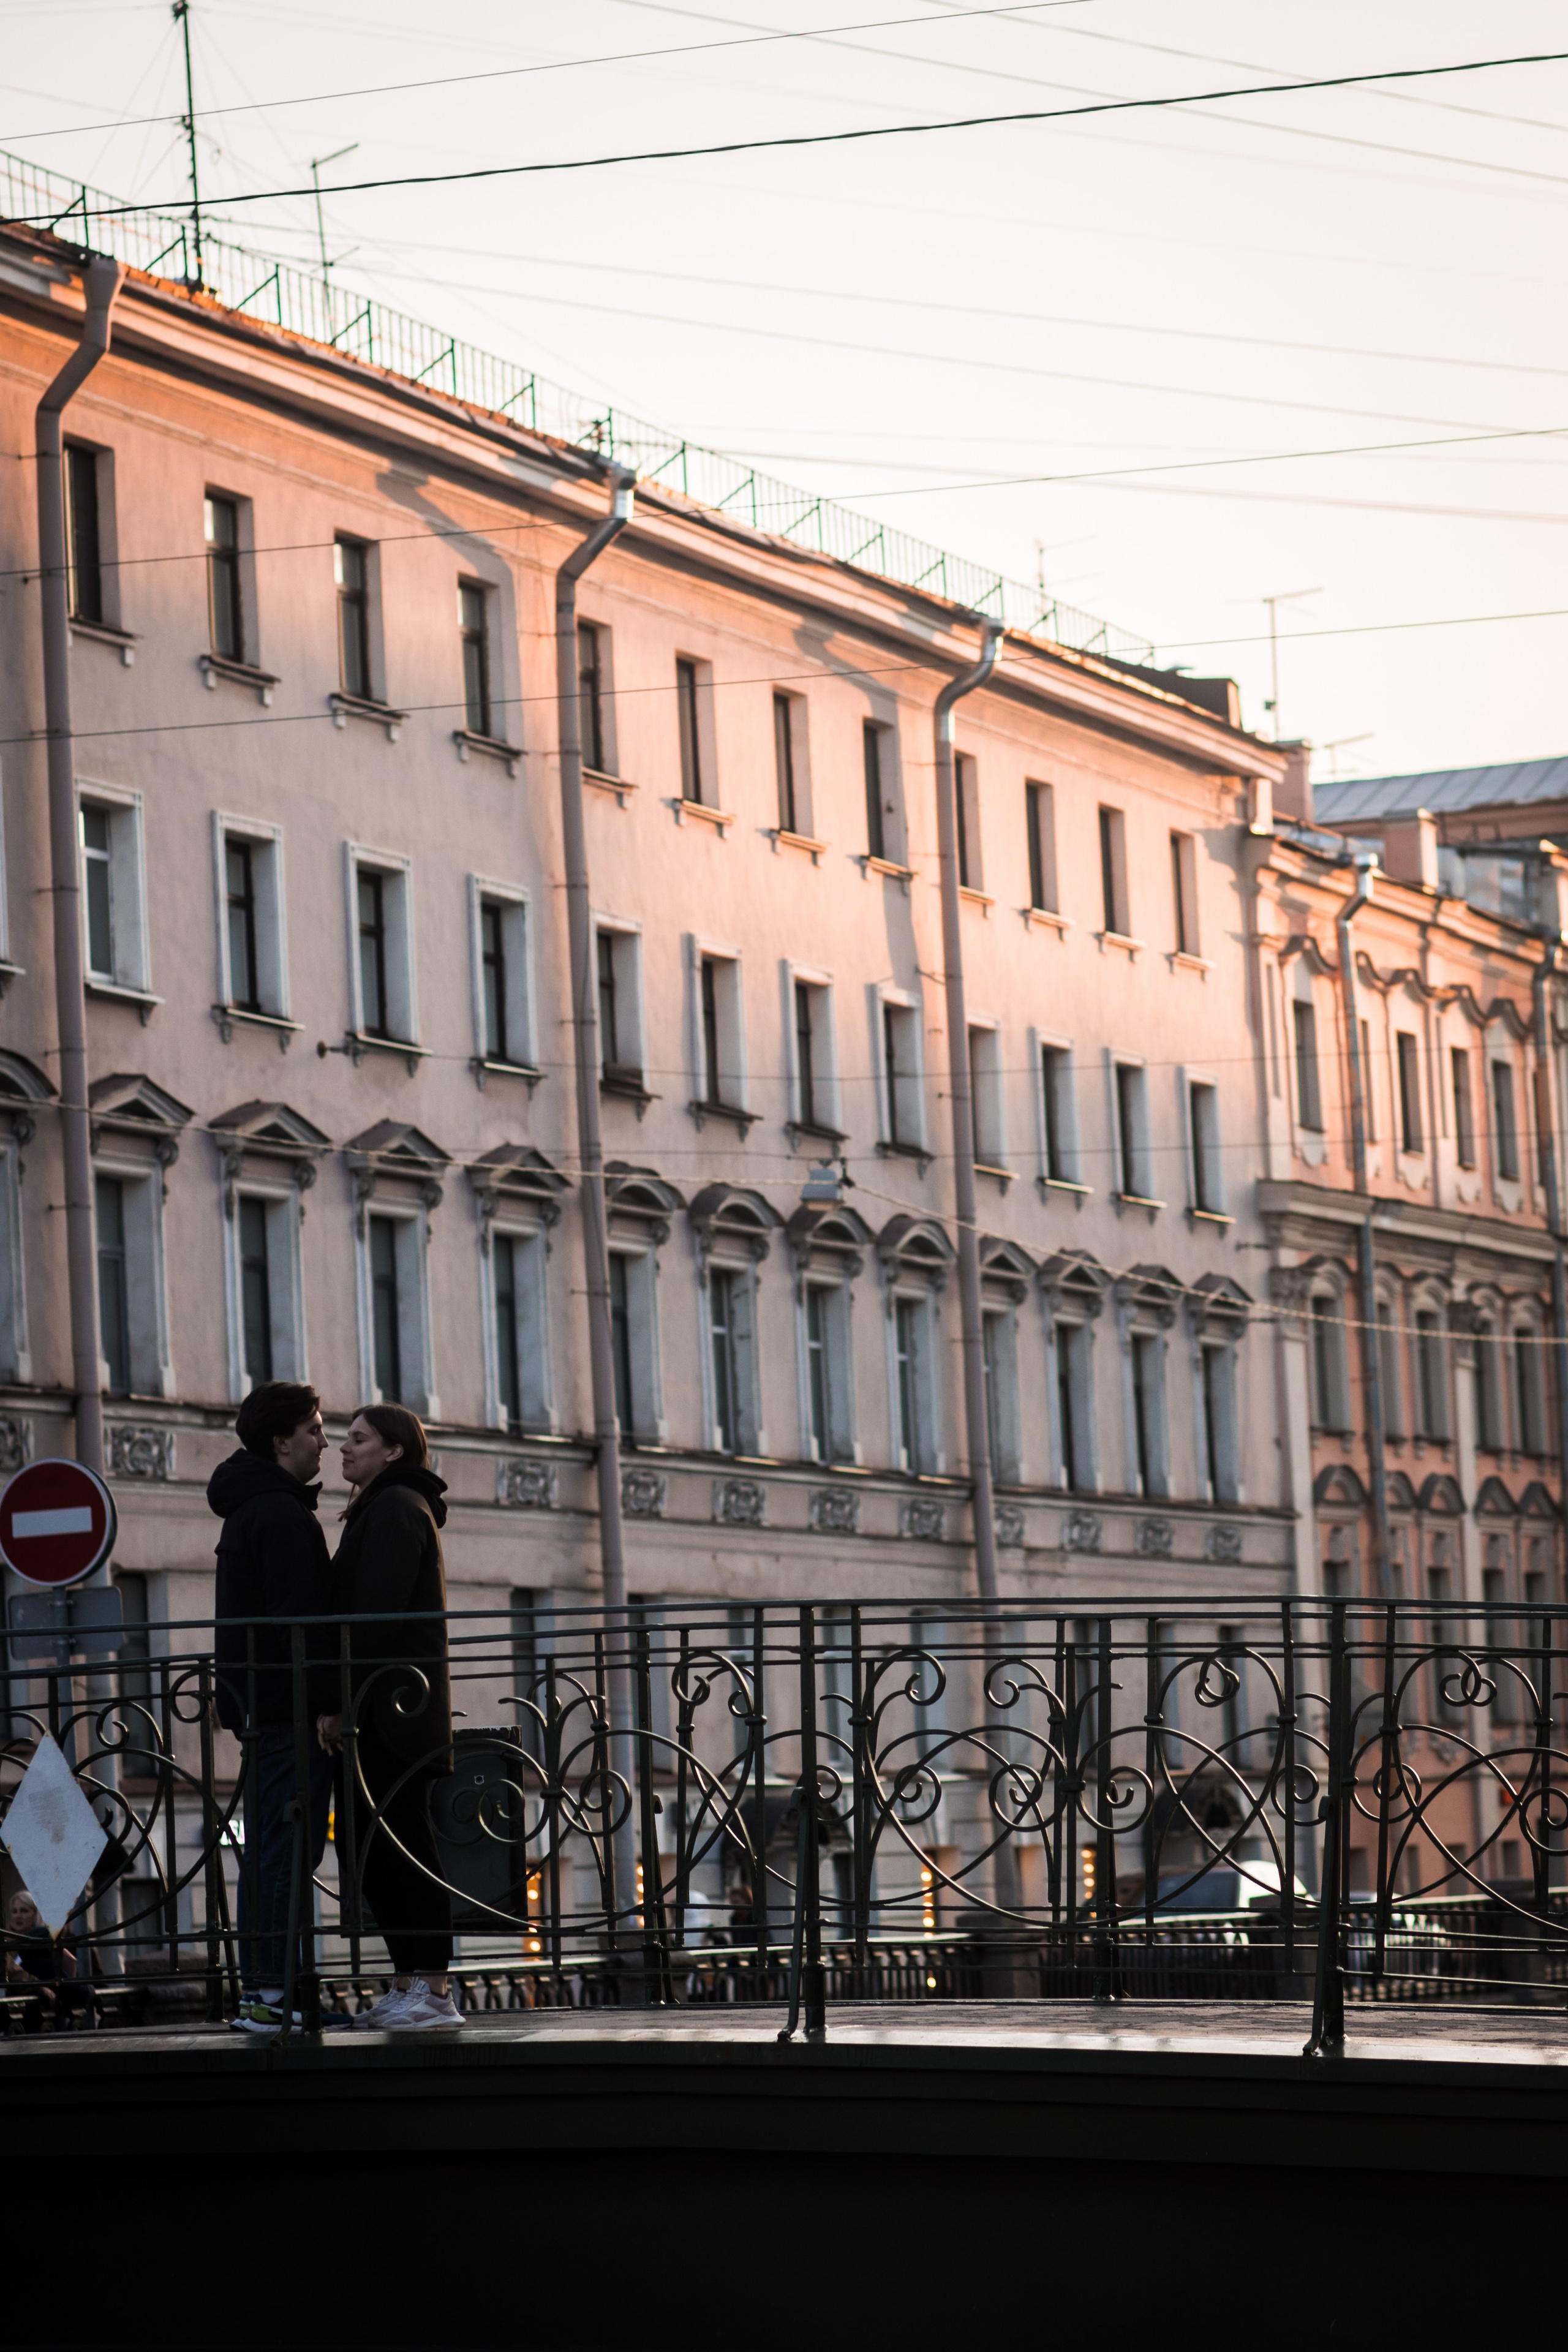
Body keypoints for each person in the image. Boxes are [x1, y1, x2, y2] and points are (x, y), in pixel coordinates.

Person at [317, 1404, 460, 2032]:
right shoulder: (384, 1506)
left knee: (404, 1850)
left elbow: (373, 1619)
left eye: (358, 1438)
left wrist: (338, 1703)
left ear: (394, 1450)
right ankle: (408, 1983)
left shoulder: (398, 1507)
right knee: (371, 1847)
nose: (342, 1448)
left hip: (395, 1711)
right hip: (385, 1706)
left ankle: (434, 1992)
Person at [209, 1379, 333, 2033]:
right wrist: (329, 1703)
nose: (325, 1441)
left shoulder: (251, 1507)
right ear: (282, 1442)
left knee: (269, 1851)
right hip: (289, 1709)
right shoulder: (281, 1513)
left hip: (262, 1707)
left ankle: (265, 1993)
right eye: (315, 1429)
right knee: (287, 1851)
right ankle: (275, 1997)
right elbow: (299, 1624)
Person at [6, 1888, 89, 2027]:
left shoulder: (47, 1942)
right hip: (18, 2013)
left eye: (24, 1911)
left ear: (35, 1914)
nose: (18, 1916)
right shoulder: (6, 1943)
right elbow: (11, 1972)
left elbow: (69, 1970)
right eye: (15, 1911)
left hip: (49, 2013)